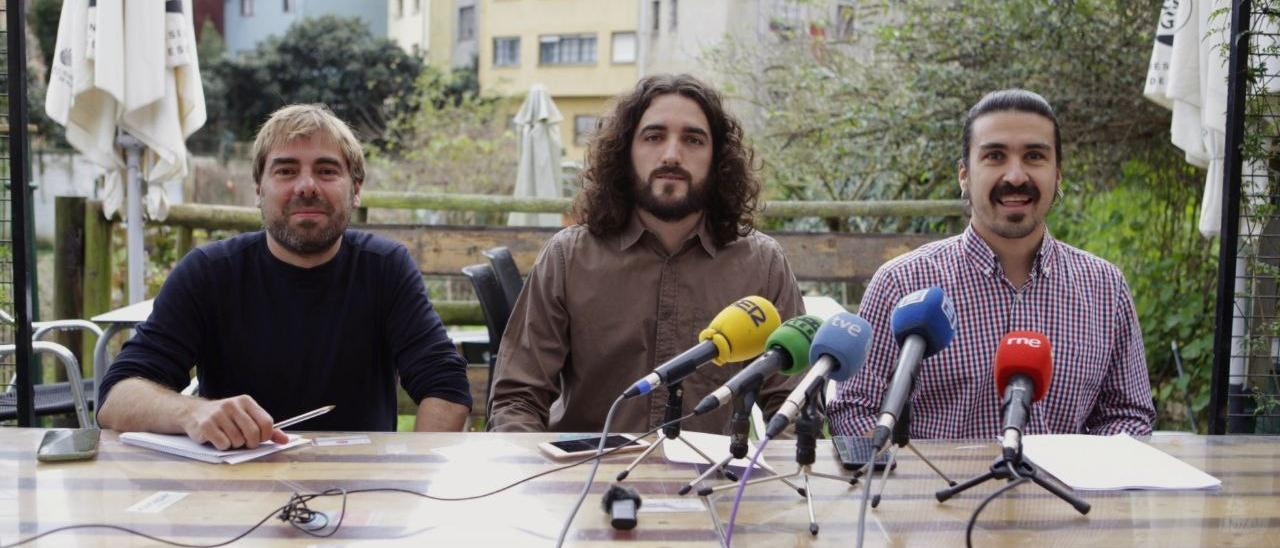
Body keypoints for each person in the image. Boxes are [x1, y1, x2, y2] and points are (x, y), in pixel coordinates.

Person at [98, 104, 472, 449]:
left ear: (355, 190)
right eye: (286, 170)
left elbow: (446, 387)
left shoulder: (385, 267)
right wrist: (190, 412)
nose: (306, 186)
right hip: (233, 489)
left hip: (361, 490)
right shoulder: (209, 272)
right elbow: (116, 396)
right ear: (259, 189)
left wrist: (412, 477)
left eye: (326, 171)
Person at [829, 89, 1155, 439]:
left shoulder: (1105, 288)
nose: (1015, 176)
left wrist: (1083, 474)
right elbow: (854, 409)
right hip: (938, 491)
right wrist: (914, 478)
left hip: (1063, 494)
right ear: (964, 176)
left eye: (1034, 156)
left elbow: (1128, 416)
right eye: (995, 156)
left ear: (1057, 174)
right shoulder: (903, 284)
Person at [489, 74, 804, 434]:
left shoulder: (762, 266)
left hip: (711, 482)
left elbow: (792, 400)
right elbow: (517, 399)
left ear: (718, 158)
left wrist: (775, 477)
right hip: (587, 479)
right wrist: (544, 478)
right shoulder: (568, 258)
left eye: (693, 139)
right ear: (626, 152)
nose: (671, 154)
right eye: (654, 137)